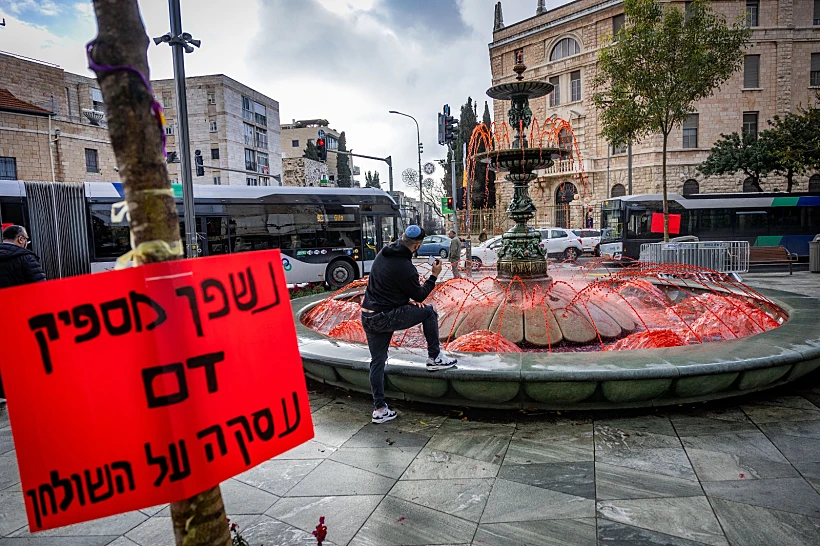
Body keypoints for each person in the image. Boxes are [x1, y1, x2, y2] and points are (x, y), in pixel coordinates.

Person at [361, 225, 457, 423]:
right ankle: (434, 357)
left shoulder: (384, 253)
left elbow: (388, 287)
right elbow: (421, 295)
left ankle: (379, 409)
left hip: (368, 315)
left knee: (377, 362)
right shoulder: (405, 267)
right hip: (384, 316)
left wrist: (405, 301)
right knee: (429, 312)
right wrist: (434, 275)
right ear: (417, 245)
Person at [0, 225, 46, 401]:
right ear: (20, 239)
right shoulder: (25, 258)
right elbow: (41, 290)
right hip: (20, 318)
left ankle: (4, 391)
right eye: (26, 239)